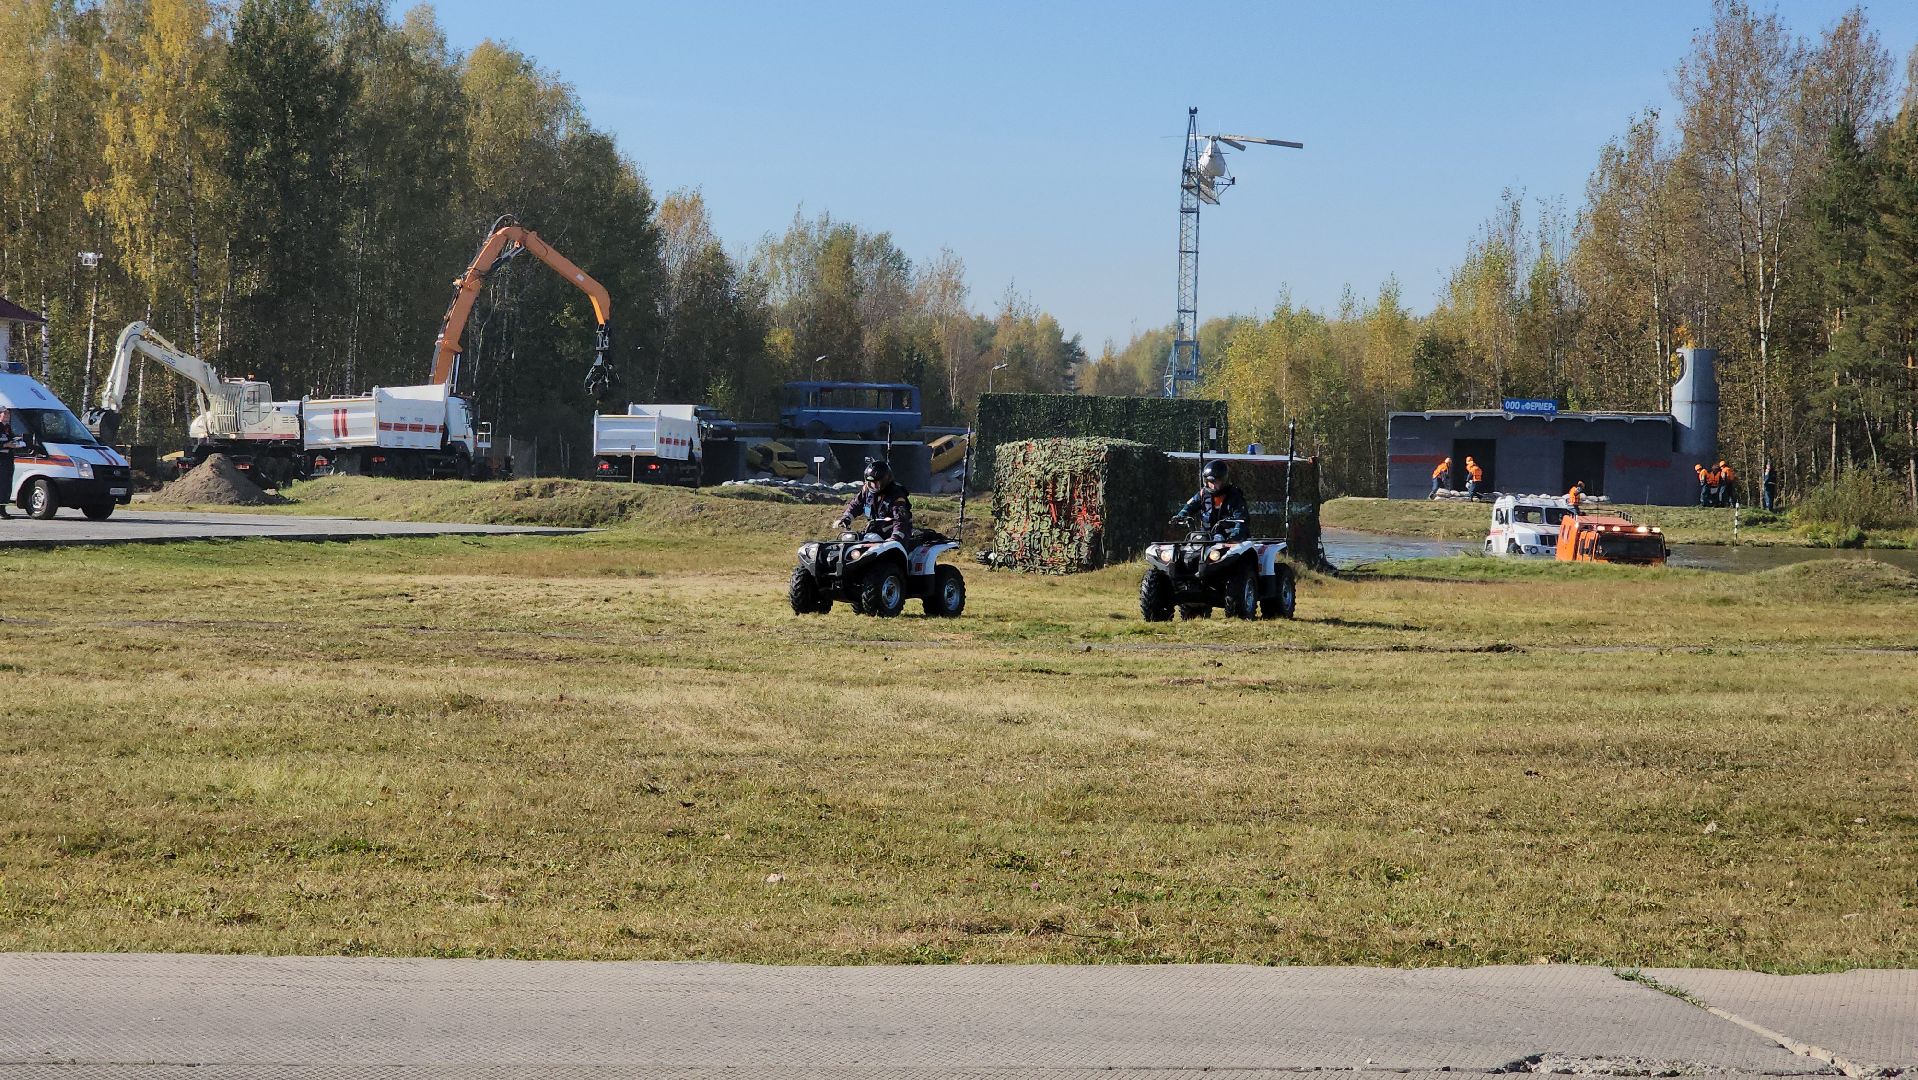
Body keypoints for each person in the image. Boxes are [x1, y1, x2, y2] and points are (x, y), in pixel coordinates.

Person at [835, 459, 913, 543]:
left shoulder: (896, 494)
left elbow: (900, 520)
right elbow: (856, 505)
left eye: (877, 482)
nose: (873, 485)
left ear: (885, 480)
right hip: (874, 531)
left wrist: (894, 538)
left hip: (894, 534)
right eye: (870, 482)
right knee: (849, 540)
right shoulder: (866, 490)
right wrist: (846, 518)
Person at [1178, 459, 1249, 540]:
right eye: (1211, 482)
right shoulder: (1203, 494)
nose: (1213, 486)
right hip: (1207, 537)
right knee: (1192, 543)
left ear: (1224, 481)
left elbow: (1241, 519)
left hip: (1227, 538)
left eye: (1217, 482)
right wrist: (1181, 515)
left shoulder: (1234, 496)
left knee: (1230, 549)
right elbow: (1189, 506)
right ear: (1206, 481)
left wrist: (1235, 535)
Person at [0, 408, 16, 519]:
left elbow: (11, 440)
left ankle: (2, 509)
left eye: (8, 414)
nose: (7, 416)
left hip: (8, 460)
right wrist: (5, 445)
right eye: (4, 413)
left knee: (6, 486)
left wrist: (17, 443)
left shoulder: (8, 428)